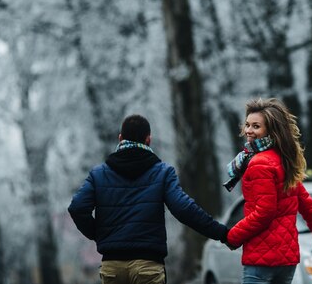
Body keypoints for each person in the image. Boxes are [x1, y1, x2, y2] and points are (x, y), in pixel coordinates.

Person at [68, 114, 228, 284]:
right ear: (148, 140)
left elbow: (77, 208)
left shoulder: (99, 174)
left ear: (120, 138)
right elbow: (183, 209)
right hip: (148, 265)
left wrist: (99, 235)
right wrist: (221, 233)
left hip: (112, 266)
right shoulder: (163, 172)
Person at [224, 98, 312, 284]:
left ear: (270, 131)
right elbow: (307, 204)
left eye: (256, 126)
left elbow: (264, 212)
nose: (248, 131)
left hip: (261, 257)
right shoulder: (283, 161)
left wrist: (233, 237)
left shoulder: (258, 163)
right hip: (286, 259)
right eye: (247, 125)